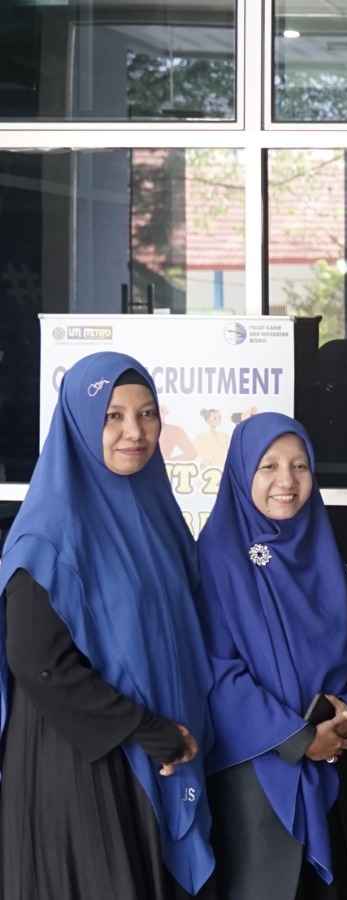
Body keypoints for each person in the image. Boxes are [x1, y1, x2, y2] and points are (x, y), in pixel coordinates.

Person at [0, 352, 214, 899]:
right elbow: (38, 662)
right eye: (112, 416)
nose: (134, 432)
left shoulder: (157, 513)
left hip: (156, 744)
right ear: (78, 421)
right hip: (82, 760)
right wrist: (145, 728)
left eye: (147, 414)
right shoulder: (49, 532)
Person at [198, 413, 347, 900]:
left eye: (300, 466)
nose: (287, 481)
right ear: (242, 473)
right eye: (269, 466)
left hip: (332, 764)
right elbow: (217, 672)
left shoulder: (323, 551)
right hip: (257, 772)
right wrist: (298, 739)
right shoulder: (216, 558)